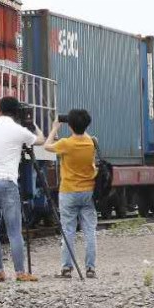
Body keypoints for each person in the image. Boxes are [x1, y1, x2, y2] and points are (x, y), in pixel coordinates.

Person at [0, 97, 44, 282]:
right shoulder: (19, 130)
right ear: (17, 112)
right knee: (14, 231)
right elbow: (40, 140)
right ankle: (20, 272)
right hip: (7, 183)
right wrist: (32, 124)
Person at [45, 109, 99, 278]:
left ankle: (67, 268)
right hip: (88, 192)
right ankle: (90, 268)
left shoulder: (66, 144)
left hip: (68, 192)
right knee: (90, 230)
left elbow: (47, 146)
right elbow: (84, 133)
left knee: (68, 230)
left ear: (70, 126)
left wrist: (54, 128)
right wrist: (80, 124)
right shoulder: (92, 143)